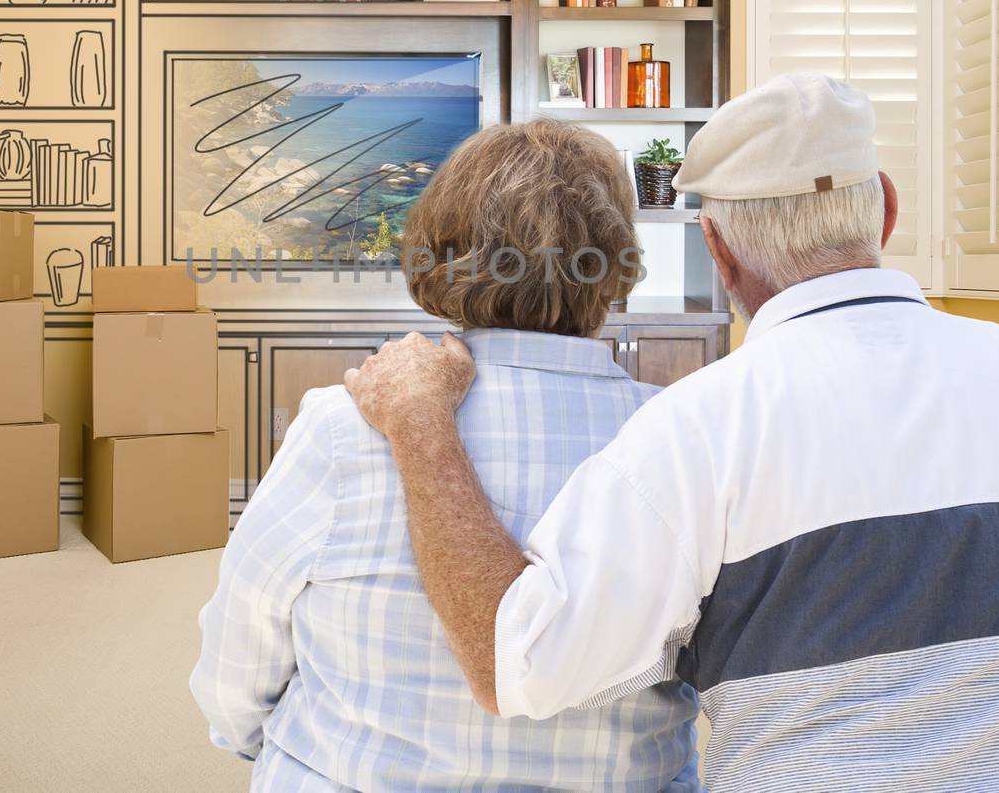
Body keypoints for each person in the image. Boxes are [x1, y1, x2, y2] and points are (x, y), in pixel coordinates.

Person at [343, 74, 999, 792]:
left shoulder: (697, 425)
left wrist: (421, 425)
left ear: (718, 247)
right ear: (884, 209)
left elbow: (514, 664)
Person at [190, 120, 703, 791]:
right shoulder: (686, 440)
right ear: (616, 263)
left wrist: (264, 746)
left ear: (441, 248)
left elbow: (241, 649)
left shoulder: (346, 424)